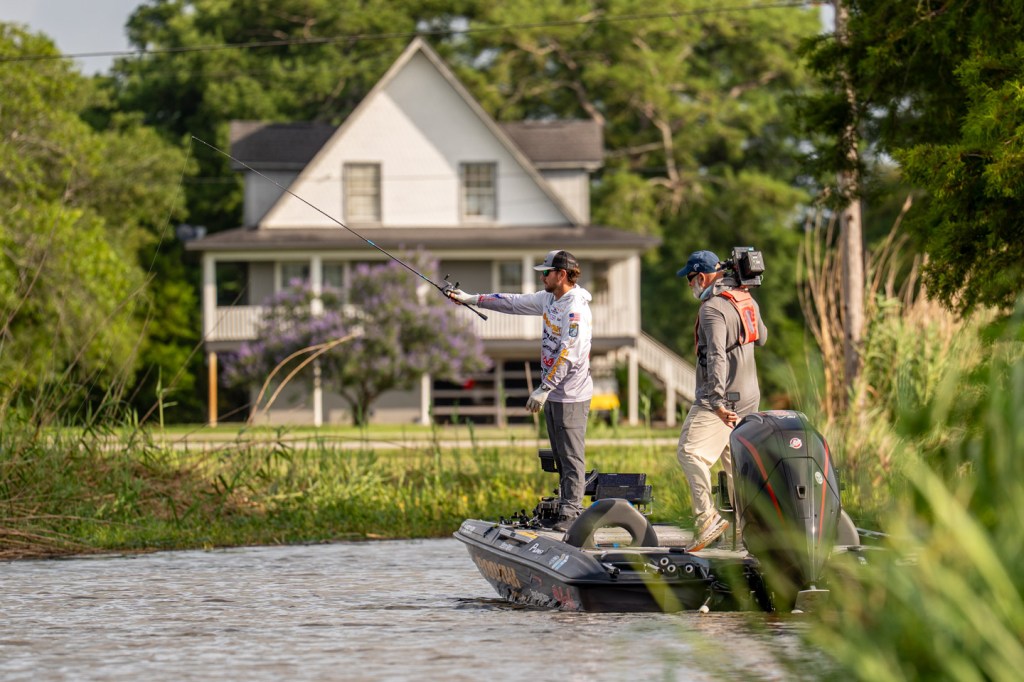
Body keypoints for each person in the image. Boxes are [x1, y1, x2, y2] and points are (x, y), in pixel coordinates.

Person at [446, 250, 593, 532]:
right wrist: (470, 299)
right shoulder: (549, 299)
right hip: (552, 392)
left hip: (571, 394)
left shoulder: (576, 310)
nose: (542, 277)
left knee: (571, 456)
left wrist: (544, 388)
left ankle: (571, 515)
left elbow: (569, 353)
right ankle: (565, 507)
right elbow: (512, 302)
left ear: (561, 274)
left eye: (546, 273)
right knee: (560, 456)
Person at [676, 249, 767, 551]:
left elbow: (716, 356)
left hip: (722, 399)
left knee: (690, 453)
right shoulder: (744, 299)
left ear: (702, 277)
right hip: (749, 397)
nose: (689, 285)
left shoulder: (712, 308)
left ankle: (707, 520)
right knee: (735, 467)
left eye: (690, 279)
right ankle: (748, 531)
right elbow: (762, 337)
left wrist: (716, 402)